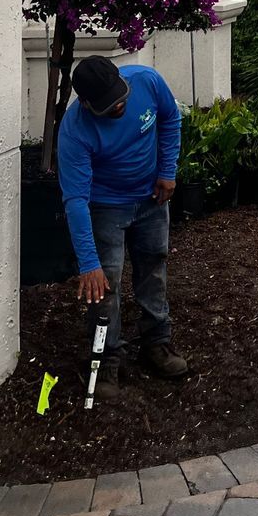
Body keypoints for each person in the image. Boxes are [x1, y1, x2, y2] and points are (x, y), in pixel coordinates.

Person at [58, 55, 188, 400]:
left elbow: (170, 118)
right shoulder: (74, 132)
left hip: (151, 199)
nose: (119, 106)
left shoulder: (147, 81)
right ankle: (105, 357)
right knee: (105, 285)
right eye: (108, 105)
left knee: (154, 267)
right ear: (85, 104)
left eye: (121, 98)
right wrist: (89, 263)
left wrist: (167, 171)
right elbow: (75, 200)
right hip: (106, 208)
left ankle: (156, 343)